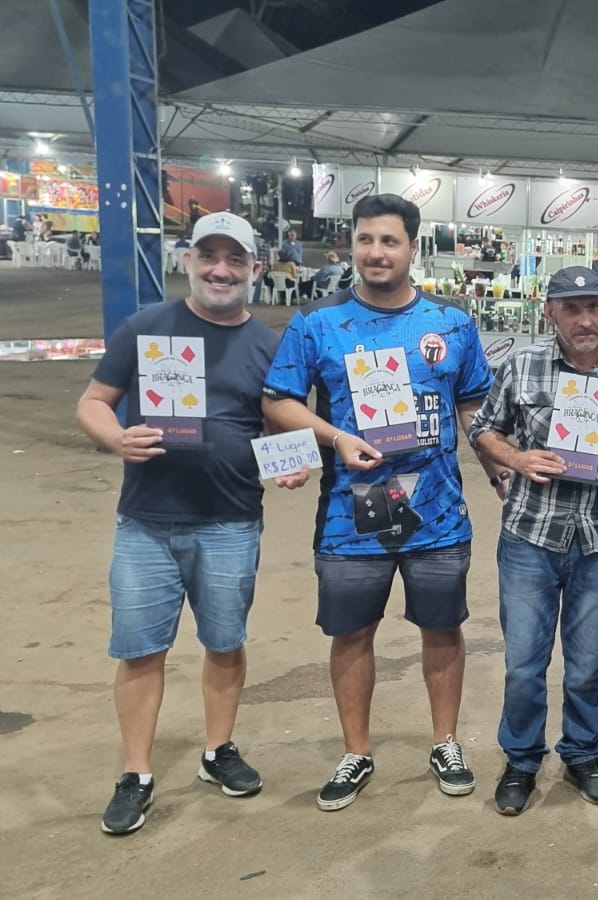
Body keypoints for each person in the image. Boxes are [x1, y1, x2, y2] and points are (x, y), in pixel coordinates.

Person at [261, 194, 498, 812]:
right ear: (354, 244)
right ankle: (357, 750)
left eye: (389, 241)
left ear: (413, 248)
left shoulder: (451, 322)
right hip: (350, 517)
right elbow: (278, 400)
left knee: (442, 630)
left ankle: (445, 742)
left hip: (438, 511)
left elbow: (474, 402)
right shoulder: (317, 324)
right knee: (352, 633)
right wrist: (334, 437)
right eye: (365, 240)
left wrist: (500, 461)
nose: (375, 252)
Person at [75, 212, 309, 835]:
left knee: (225, 644)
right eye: (209, 257)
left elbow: (280, 424)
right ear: (188, 261)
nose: (221, 270)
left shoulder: (268, 344)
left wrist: (292, 464)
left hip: (231, 522)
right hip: (146, 524)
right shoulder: (147, 329)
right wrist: (117, 438)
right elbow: (92, 402)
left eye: (236, 260)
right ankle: (136, 773)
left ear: (256, 270)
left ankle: (218, 751)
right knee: (140, 650)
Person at [468, 266, 598, 815]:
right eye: (571, 308)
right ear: (549, 311)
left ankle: (582, 753)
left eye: (594, 306)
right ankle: (522, 759)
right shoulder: (521, 365)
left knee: (586, 661)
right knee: (524, 661)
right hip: (531, 538)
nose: (585, 319)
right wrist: (516, 460)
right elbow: (482, 430)